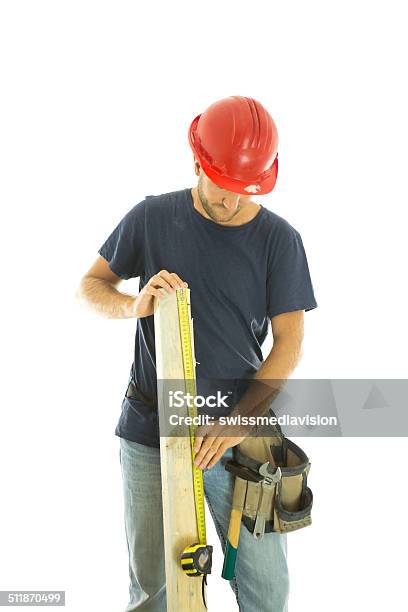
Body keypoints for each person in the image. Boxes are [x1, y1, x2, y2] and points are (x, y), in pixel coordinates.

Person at [78, 95, 318, 612]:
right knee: (154, 587)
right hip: (149, 427)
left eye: (243, 191)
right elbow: (91, 286)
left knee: (265, 588)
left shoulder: (280, 240)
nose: (232, 202)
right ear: (197, 162)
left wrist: (236, 425)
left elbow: (290, 344)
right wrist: (134, 305)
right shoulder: (151, 217)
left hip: (237, 439)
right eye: (221, 186)